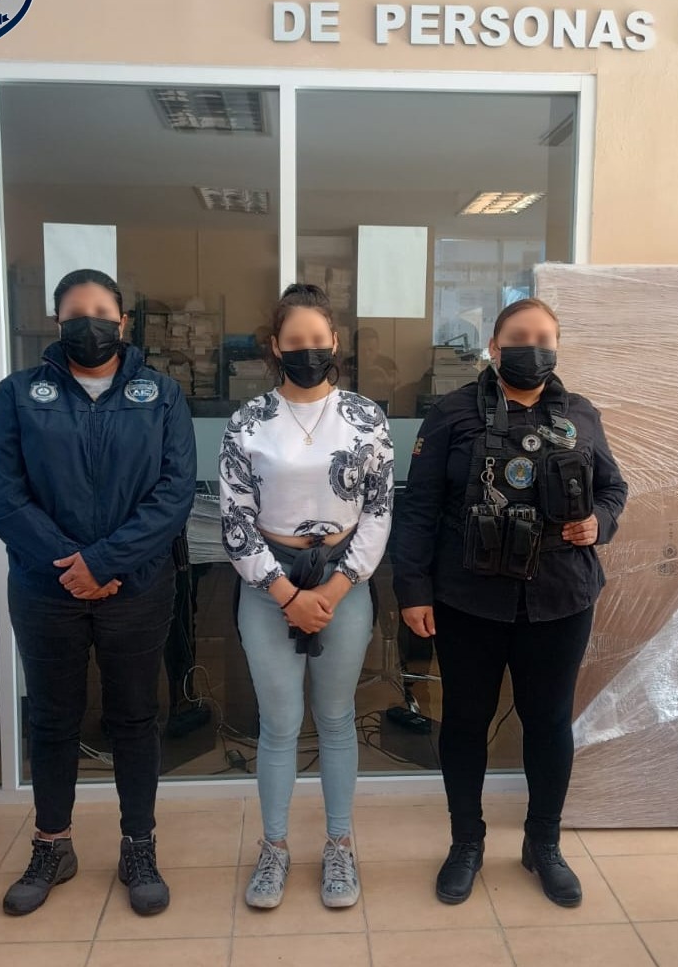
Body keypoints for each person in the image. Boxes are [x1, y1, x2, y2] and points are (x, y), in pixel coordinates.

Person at [393, 298, 627, 909]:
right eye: (519, 337)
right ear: (494, 348)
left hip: (560, 597)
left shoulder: (581, 415)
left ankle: (542, 843)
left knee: (548, 723)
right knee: (465, 722)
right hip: (468, 599)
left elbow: (612, 488)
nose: (532, 348)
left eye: (544, 338)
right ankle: (466, 843)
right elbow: (418, 508)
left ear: (557, 347)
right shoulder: (451, 413)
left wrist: (599, 523)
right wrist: (412, 589)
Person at [0, 269, 196, 918]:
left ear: (122, 322)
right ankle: (52, 844)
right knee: (52, 718)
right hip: (46, 588)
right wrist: (70, 566)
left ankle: (139, 846)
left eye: (103, 311)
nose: (91, 323)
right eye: (77, 312)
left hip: (137, 587)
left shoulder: (161, 394)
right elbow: (3, 493)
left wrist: (103, 561)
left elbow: (174, 493)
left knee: (134, 717)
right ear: (58, 322)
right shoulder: (19, 393)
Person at [220, 284, 394, 911]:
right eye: (295, 341)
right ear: (275, 347)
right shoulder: (248, 422)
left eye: (318, 340)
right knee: (279, 724)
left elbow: (378, 510)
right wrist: (287, 594)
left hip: (345, 580)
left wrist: (337, 587)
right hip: (269, 582)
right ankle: (274, 847)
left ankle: (339, 845)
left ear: (335, 343)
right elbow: (235, 521)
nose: (307, 350)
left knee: (338, 717)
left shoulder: (366, 418)